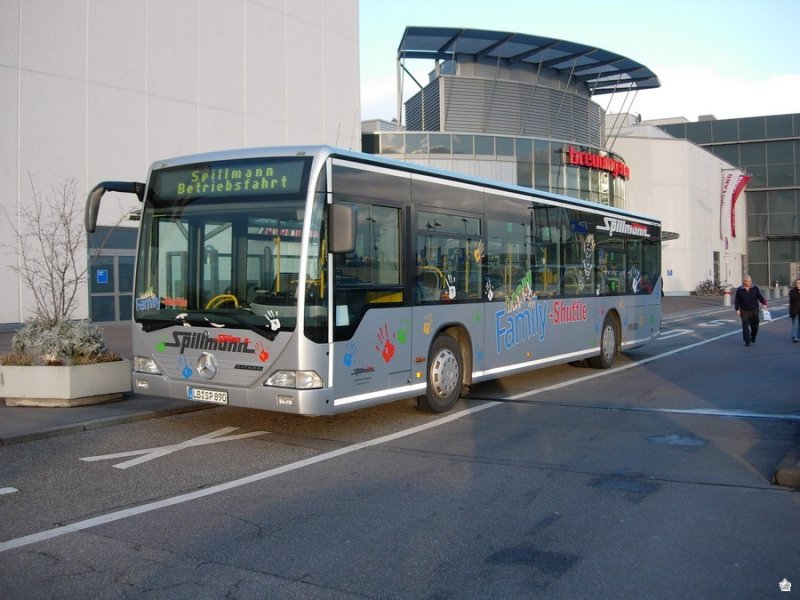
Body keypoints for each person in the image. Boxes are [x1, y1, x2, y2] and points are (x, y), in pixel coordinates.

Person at [734, 274, 768, 346]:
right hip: (744, 311)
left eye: (750, 281)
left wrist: (764, 303)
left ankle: (753, 336)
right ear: (744, 282)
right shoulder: (739, 290)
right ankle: (747, 341)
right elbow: (737, 300)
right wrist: (737, 309)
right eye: (748, 281)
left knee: (755, 326)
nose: (750, 282)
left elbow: (759, 296)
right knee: (745, 327)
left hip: (754, 310)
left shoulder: (755, 288)